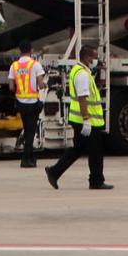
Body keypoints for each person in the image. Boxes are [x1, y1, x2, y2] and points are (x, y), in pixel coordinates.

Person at [45, 48, 113, 191]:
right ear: (87, 57)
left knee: (78, 149)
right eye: (94, 57)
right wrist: (86, 120)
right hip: (87, 121)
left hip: (81, 119)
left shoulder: (79, 70)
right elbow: (82, 98)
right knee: (96, 151)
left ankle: (54, 172)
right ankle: (96, 181)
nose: (95, 61)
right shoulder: (82, 74)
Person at [8, 42, 44, 167]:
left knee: (27, 129)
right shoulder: (35, 64)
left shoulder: (14, 66)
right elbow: (41, 84)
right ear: (31, 50)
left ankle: (31, 158)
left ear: (19, 50)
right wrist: (43, 85)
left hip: (21, 103)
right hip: (33, 103)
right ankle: (25, 159)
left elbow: (11, 87)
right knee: (31, 132)